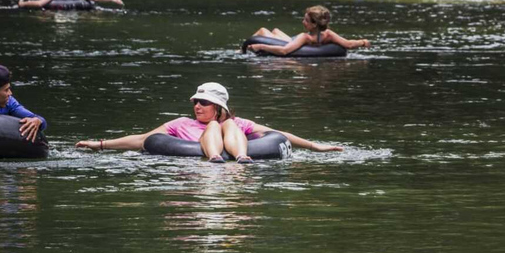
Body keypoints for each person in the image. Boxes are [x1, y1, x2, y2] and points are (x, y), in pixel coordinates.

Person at [75, 82, 343, 163]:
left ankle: (241, 157)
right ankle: (214, 156)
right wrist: (100, 144)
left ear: (218, 107)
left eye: (203, 103)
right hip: (200, 166)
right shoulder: (180, 123)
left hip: (236, 170)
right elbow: (142, 139)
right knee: (215, 127)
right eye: (195, 101)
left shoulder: (237, 123)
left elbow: (277, 133)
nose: (197, 106)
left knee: (226, 126)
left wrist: (314, 146)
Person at [246, 5, 370, 56]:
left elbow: (284, 51)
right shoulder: (328, 34)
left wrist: (260, 46)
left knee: (263, 30)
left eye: (305, 20)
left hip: (292, 44)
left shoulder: (305, 37)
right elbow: (348, 44)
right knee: (276, 30)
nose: (303, 22)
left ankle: (241, 50)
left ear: (314, 24)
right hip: (294, 42)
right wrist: (363, 42)